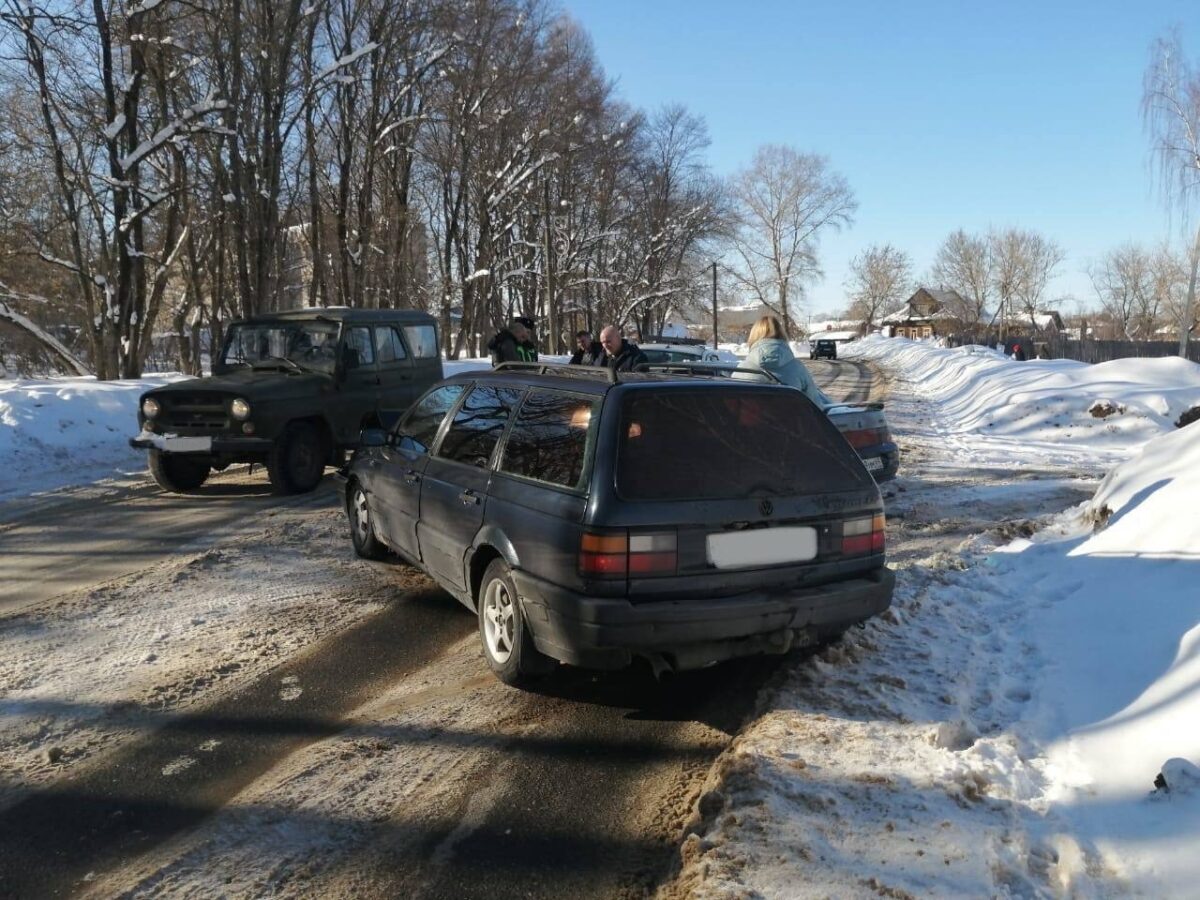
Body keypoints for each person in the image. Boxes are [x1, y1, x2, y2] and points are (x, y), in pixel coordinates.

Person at [736, 315, 828, 406]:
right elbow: (816, 407)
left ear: (753, 336)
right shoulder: (798, 369)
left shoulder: (741, 370)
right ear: (782, 335)